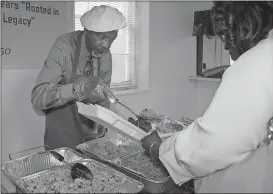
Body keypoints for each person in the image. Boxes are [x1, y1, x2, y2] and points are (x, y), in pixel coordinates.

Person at [141, 1, 273, 193]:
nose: (225, 45)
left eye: (224, 34)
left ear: (244, 27)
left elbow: (214, 144)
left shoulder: (255, 63)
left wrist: (159, 149)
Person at [31, 5, 126, 151]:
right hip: (62, 136)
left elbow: (103, 100)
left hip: (91, 140)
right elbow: (38, 98)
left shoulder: (105, 55)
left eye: (111, 40)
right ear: (87, 31)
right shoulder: (65, 46)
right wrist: (75, 89)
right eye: (102, 38)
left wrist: (101, 126)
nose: (106, 45)